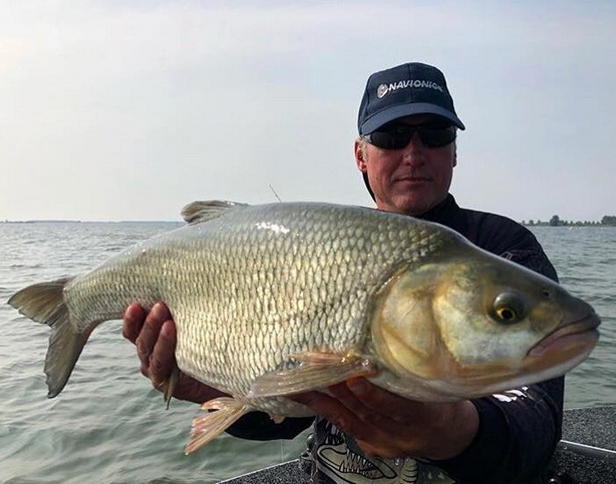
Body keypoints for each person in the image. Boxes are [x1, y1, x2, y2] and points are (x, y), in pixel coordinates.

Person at [122, 62, 562, 483]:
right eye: (391, 135)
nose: (413, 153)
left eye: (434, 133)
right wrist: (208, 388)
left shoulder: (503, 254)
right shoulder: (318, 253)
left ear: (453, 152)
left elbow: (535, 428)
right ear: (361, 155)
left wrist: (455, 432)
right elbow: (287, 412)